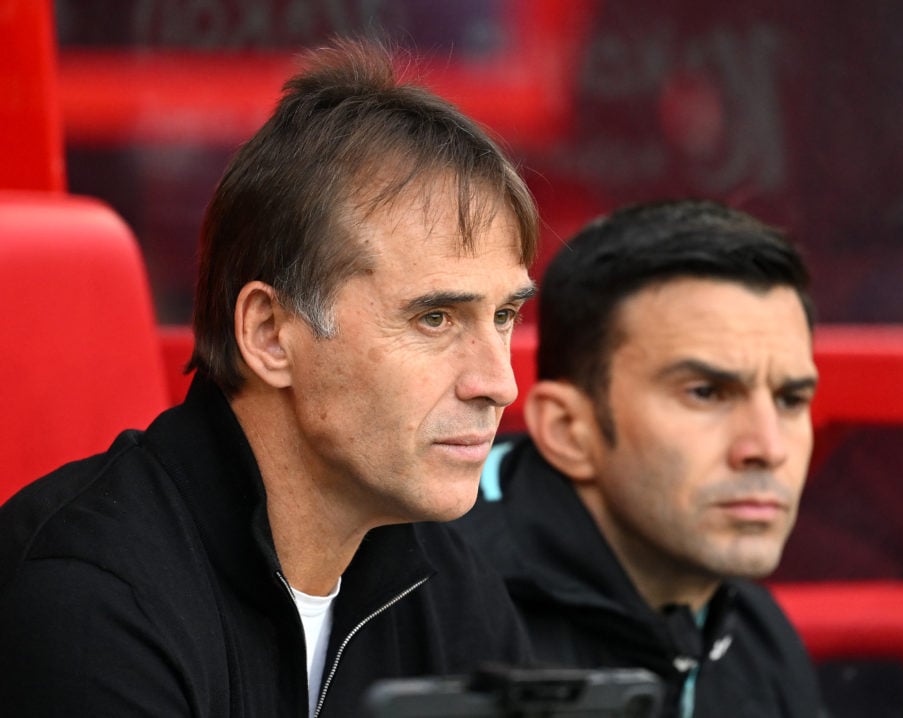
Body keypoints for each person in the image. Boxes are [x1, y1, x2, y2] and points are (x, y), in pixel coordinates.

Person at [0, 38, 540, 717]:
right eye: (435, 318)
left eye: (505, 315)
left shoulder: (444, 579)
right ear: (268, 334)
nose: (498, 383)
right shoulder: (90, 598)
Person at [455, 199, 824, 718]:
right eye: (705, 393)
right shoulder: (438, 613)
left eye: (790, 399)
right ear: (568, 430)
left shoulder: (753, 632)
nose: (767, 448)